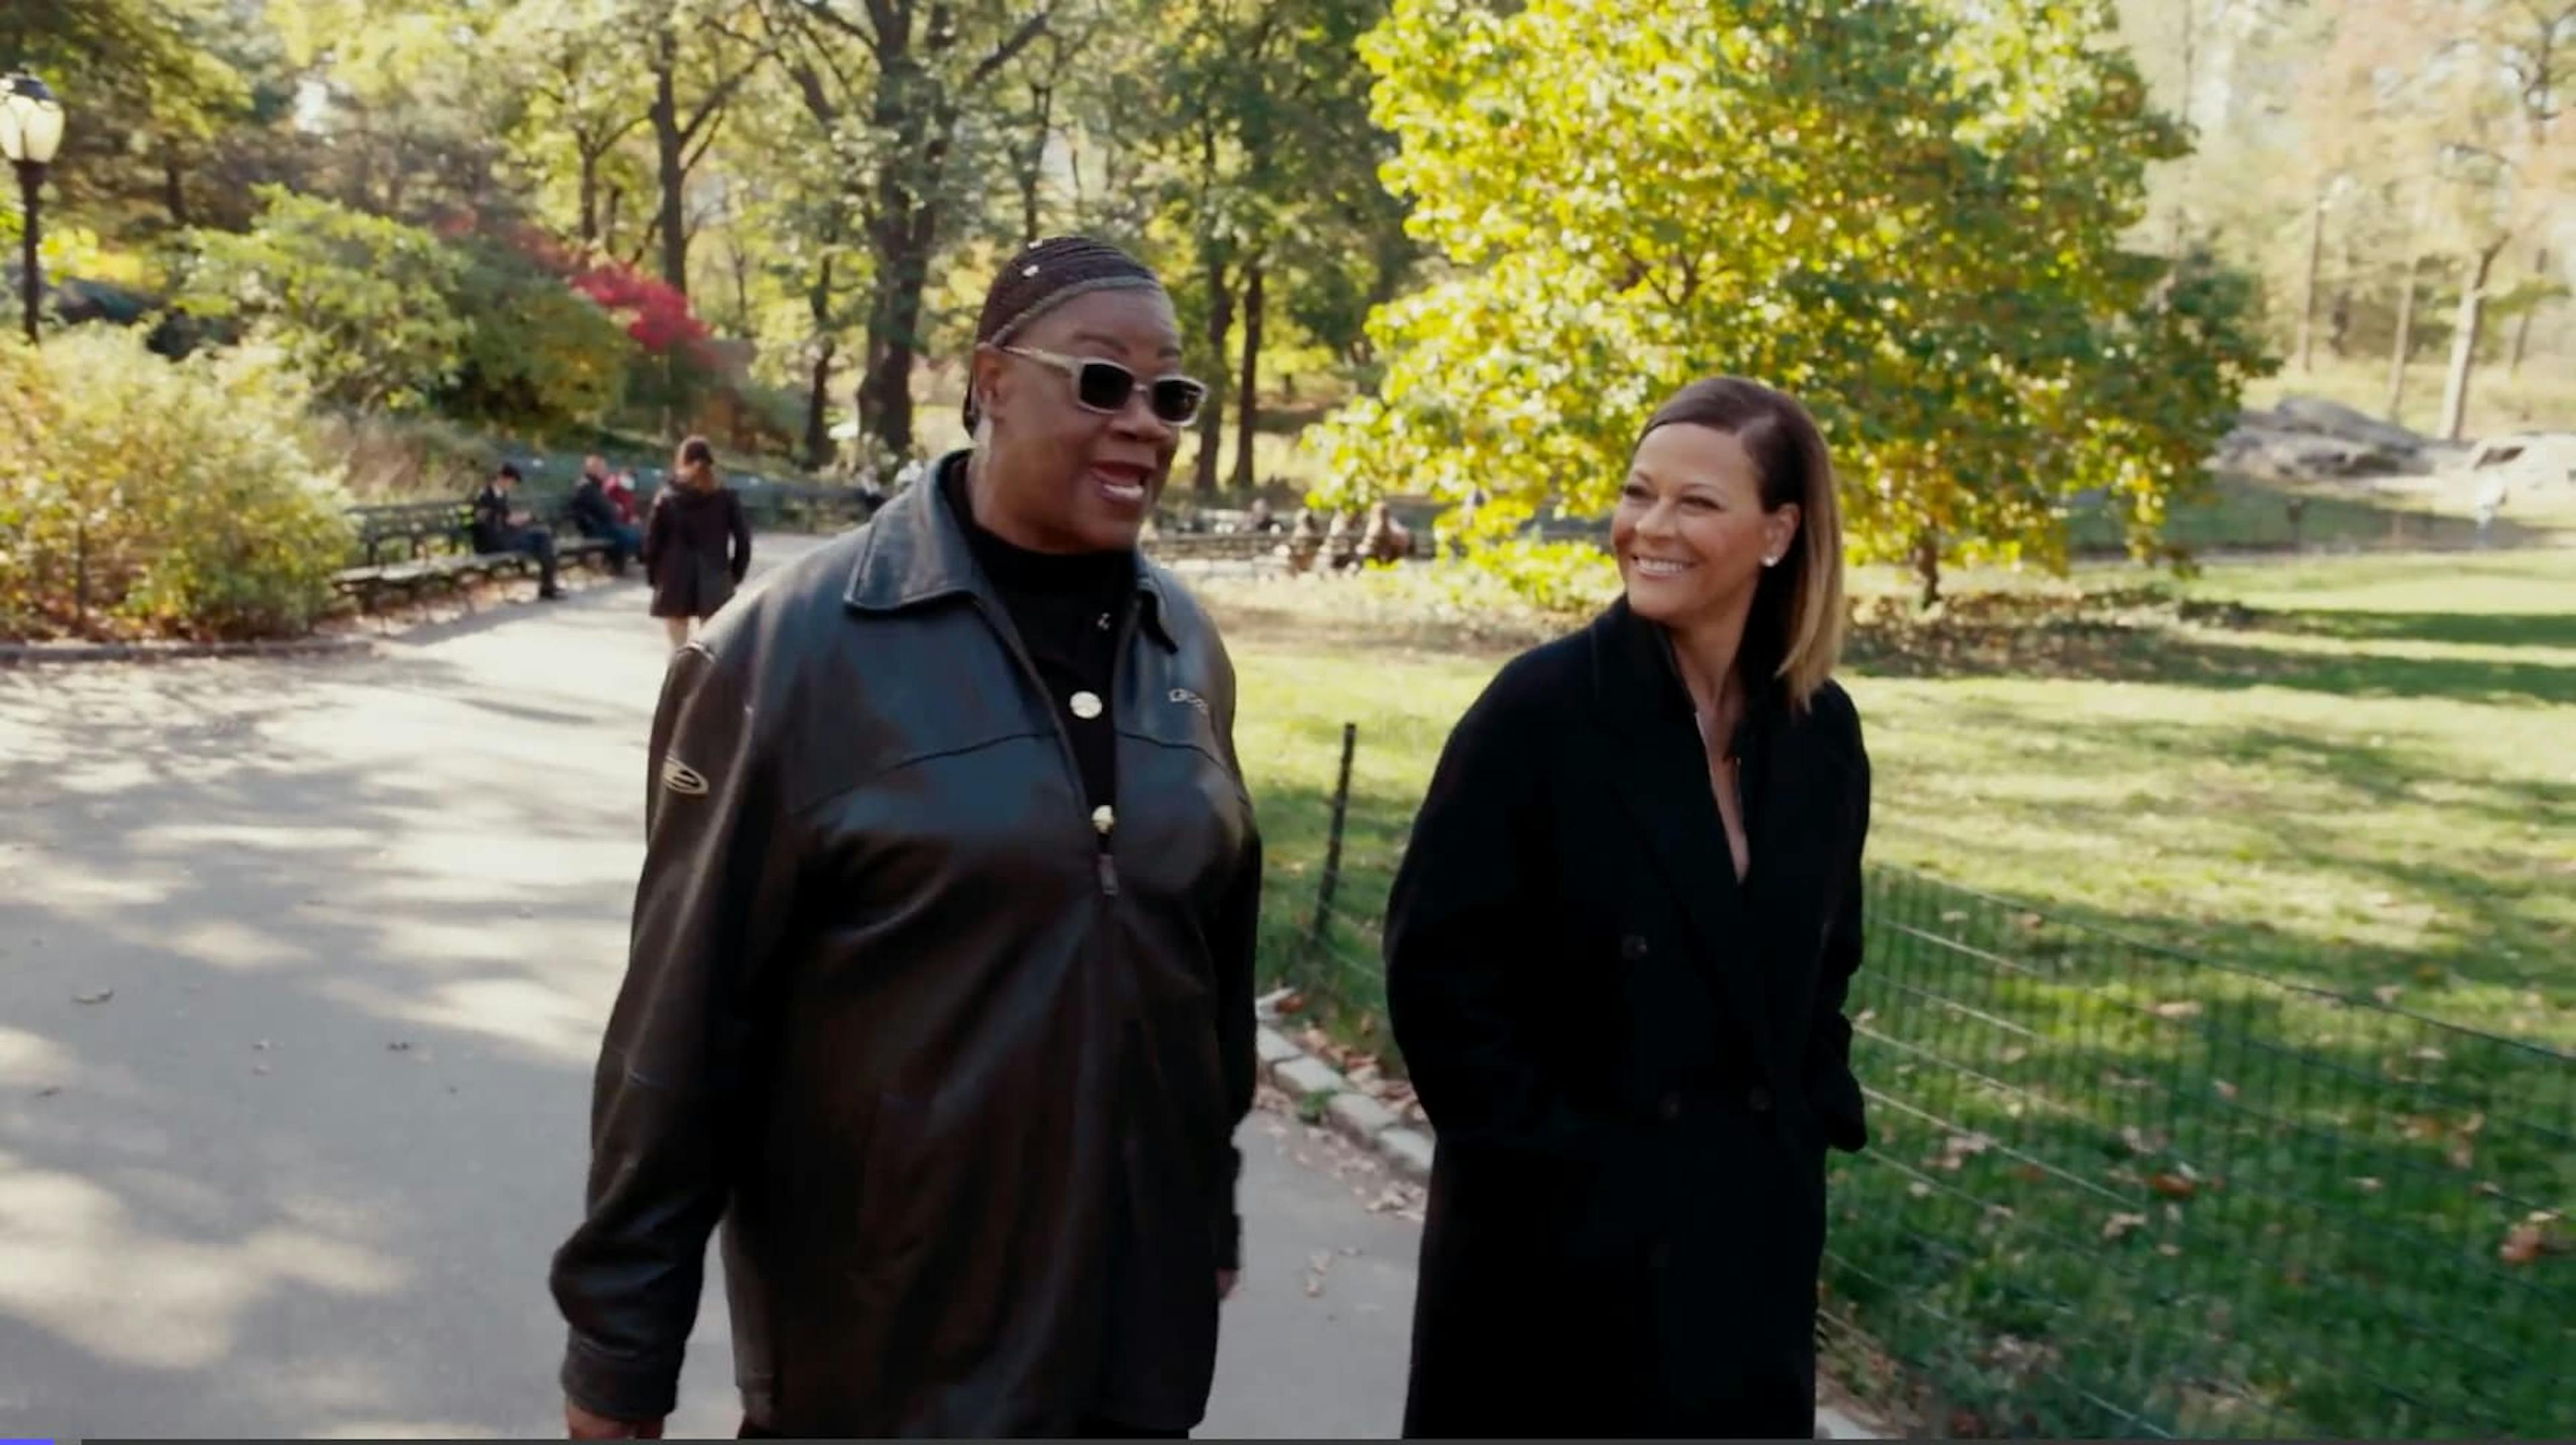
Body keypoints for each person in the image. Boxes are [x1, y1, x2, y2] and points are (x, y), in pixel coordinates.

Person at [549, 235, 1263, 1440]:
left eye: (1170, 392)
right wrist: (621, 1354)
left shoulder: (1182, 642)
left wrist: (1213, 1209)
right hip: (876, 1350)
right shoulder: (792, 648)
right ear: (989, 380)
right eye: (1101, 381)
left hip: (1129, 1346)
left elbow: (1213, 968)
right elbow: (677, 1028)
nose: (1144, 420)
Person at [1385, 376, 1869, 1439]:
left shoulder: (1821, 735)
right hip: (1546, 1263)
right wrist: (1561, 1177)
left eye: (1697, 502)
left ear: (1778, 531)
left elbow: (1828, 957)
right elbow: (1436, 974)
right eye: (1637, 492)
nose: (1650, 527)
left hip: (1741, 1258)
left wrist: (1804, 1118)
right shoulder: (1541, 712)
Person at [640, 437, 752, 649]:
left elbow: (652, 542)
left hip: (674, 577)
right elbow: (743, 540)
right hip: (714, 575)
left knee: (677, 648)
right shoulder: (725, 497)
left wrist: (654, 577)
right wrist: (734, 574)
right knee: (711, 649)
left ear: (681, 460)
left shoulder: (667, 496)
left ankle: (680, 682)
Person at [470, 462, 564, 600]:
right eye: (510, 481)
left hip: (504, 537)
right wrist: (520, 518)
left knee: (543, 538)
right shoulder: (485, 495)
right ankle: (547, 587)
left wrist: (521, 518)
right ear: (501, 478)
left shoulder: (500, 494)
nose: (511, 485)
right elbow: (484, 520)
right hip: (490, 543)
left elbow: (505, 517)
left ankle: (548, 586)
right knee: (543, 540)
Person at [569, 455, 644, 574]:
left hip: (600, 525)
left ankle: (618, 564)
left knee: (635, 532)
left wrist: (615, 510)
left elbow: (609, 508)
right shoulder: (587, 487)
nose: (606, 471)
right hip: (593, 529)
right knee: (634, 535)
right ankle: (619, 564)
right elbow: (608, 510)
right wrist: (615, 509)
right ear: (593, 470)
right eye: (602, 469)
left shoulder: (594, 485)